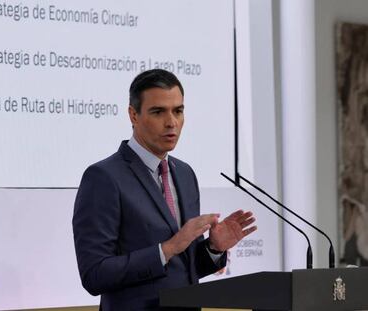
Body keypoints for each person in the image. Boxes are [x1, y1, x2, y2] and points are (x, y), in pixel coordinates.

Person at [72, 69, 257, 310]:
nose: (171, 122)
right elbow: (94, 274)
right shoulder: (104, 178)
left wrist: (213, 248)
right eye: (158, 112)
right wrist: (167, 249)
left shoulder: (185, 174)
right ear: (133, 115)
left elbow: (181, 271)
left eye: (178, 111)